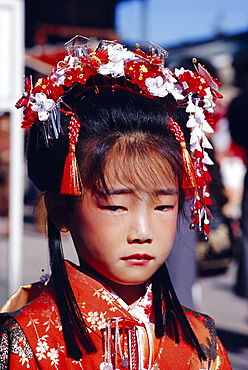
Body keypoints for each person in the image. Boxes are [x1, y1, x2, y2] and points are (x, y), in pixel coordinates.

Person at [0, 36, 231, 369]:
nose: (142, 231)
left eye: (163, 206)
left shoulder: (202, 340)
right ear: (62, 209)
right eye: (116, 206)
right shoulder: (26, 339)